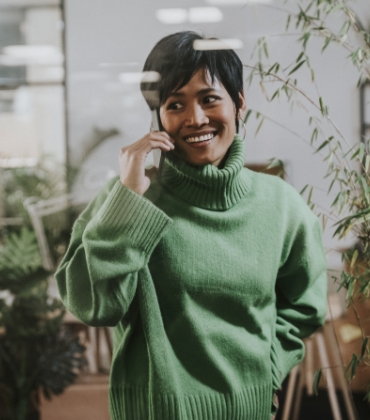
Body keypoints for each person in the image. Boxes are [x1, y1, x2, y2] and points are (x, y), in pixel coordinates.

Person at [55, 31, 327, 420]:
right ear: (159, 117)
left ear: (240, 104)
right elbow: (93, 305)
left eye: (209, 98)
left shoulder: (280, 204)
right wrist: (129, 199)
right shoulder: (130, 198)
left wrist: (265, 370)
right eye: (175, 104)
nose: (195, 118)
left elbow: (305, 306)